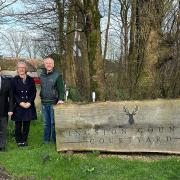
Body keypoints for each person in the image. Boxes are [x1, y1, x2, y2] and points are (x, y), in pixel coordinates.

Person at [11, 61, 37, 147]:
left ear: (25, 69)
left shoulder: (30, 79)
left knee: (26, 124)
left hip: (28, 105)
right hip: (18, 105)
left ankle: (24, 140)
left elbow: (33, 92)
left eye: (23, 68)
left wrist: (29, 102)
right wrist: (20, 102)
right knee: (18, 124)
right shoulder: (14, 80)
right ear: (17, 69)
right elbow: (13, 93)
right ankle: (19, 141)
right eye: (20, 68)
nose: (21, 69)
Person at [40, 57, 65, 144]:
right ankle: (46, 140)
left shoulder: (57, 75)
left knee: (53, 123)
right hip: (43, 102)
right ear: (44, 64)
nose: (49, 64)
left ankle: (55, 141)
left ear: (53, 65)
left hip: (53, 103)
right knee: (46, 124)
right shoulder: (41, 75)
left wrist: (61, 99)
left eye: (50, 63)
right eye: (47, 63)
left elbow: (61, 90)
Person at [0, 66, 13, 151]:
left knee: (3, 129)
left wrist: (10, 109)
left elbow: (11, 97)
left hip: (4, 109)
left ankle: (2, 146)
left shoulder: (7, 81)